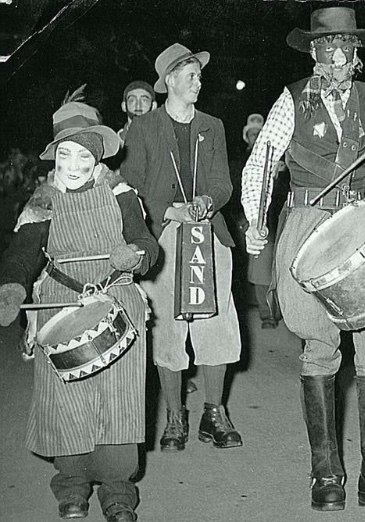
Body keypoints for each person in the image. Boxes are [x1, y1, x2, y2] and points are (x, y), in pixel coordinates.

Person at [242, 7, 365, 512]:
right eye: (329, 45)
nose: (339, 54)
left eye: (347, 45)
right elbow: (262, 162)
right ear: (315, 52)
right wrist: (256, 221)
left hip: (364, 225)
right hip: (307, 225)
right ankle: (325, 472)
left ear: (357, 53)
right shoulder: (291, 99)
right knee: (319, 345)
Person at [0, 99, 158, 522]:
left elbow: (147, 244)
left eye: (83, 155)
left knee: (119, 400)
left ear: (98, 157)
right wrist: (13, 286)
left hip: (115, 300)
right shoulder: (43, 198)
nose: (73, 165)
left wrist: (135, 256)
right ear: (55, 156)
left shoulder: (122, 194)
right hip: (61, 304)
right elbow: (23, 250)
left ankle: (118, 488)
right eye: (65, 154)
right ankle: (71, 484)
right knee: (66, 401)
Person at [121, 43, 243, 452]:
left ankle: (214, 413)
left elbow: (223, 182)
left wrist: (209, 201)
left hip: (210, 234)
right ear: (169, 80)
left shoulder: (214, 125)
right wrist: (168, 211)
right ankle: (175, 416)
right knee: (169, 329)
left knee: (216, 322)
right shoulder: (143, 128)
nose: (199, 81)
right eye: (190, 75)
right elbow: (132, 185)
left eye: (199, 75)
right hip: (165, 238)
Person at [242, 113, 283, 329]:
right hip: (253, 221)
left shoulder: (279, 162)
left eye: (260, 134)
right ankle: (266, 314)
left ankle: (278, 311)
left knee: (277, 270)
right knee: (259, 272)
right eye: (252, 134)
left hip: (277, 219)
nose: (256, 137)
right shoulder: (241, 162)